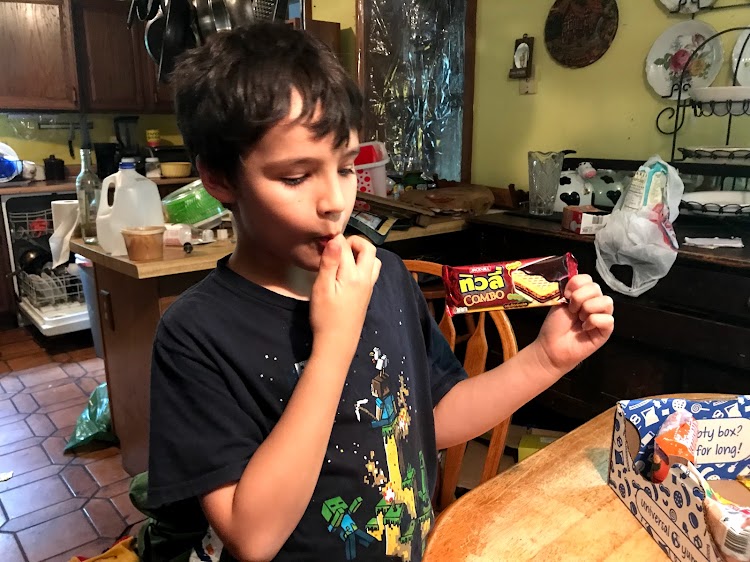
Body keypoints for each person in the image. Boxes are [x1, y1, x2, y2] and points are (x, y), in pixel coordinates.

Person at [147, 22, 615, 562]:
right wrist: (335, 341)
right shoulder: (195, 334)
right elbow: (253, 537)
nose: (334, 202)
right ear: (219, 179)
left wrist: (545, 360)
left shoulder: (386, 275)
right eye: (295, 177)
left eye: (347, 168)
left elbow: (434, 418)